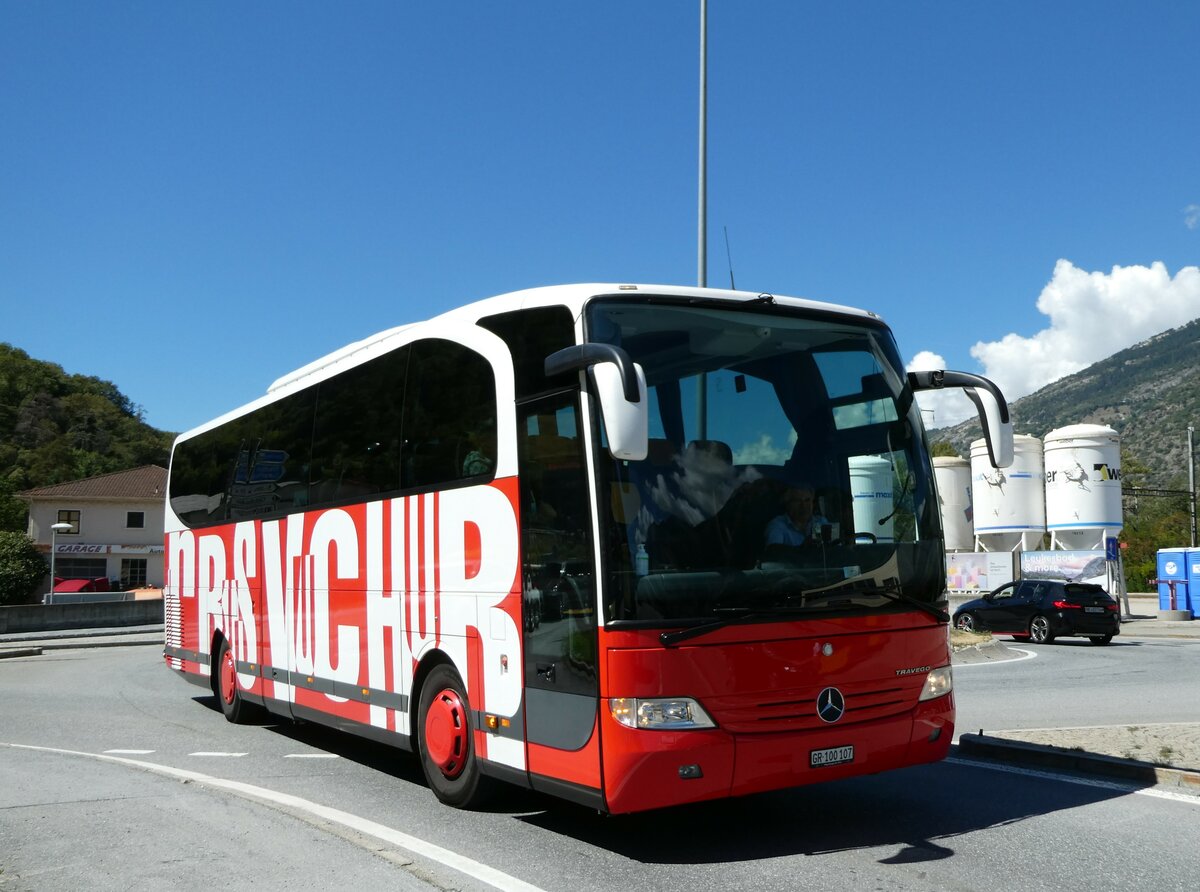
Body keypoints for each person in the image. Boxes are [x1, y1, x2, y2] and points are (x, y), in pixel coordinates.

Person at [764, 483, 829, 548]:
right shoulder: (777, 525)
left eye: (807, 500)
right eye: (797, 501)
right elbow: (774, 555)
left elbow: (835, 547)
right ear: (788, 504)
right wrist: (803, 549)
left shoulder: (820, 521)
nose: (804, 506)